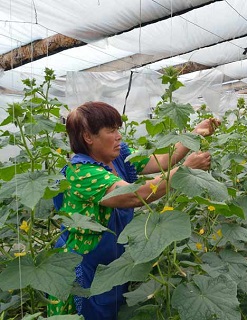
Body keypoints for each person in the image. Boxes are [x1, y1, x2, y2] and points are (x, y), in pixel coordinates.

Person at [47, 101, 220, 319]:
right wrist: (187, 171)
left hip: (114, 262)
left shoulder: (118, 156)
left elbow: (163, 160)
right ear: (88, 137)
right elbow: (135, 194)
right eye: (111, 130)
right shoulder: (81, 172)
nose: (119, 136)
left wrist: (196, 133)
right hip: (85, 264)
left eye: (118, 129)